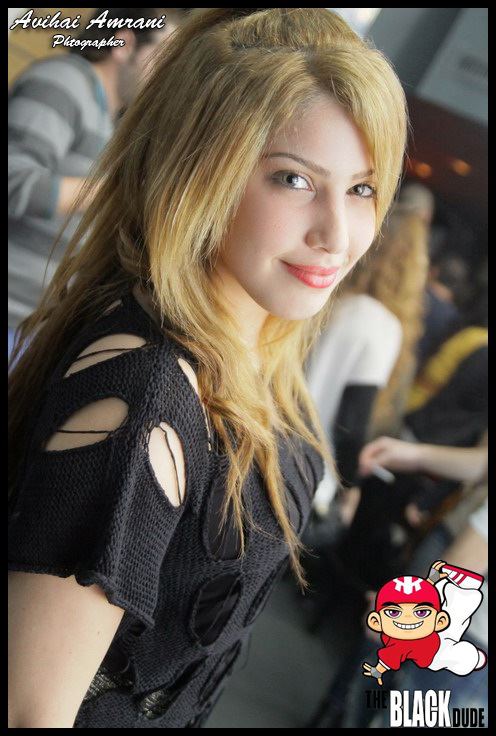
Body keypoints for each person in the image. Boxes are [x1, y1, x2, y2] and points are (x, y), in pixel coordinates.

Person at [8, 8, 408, 729]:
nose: (338, 234)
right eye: (293, 179)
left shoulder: (261, 349)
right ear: (204, 173)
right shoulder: (147, 393)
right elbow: (31, 710)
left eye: (362, 189)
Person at [8, 8, 187, 360]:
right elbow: (13, 179)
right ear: (124, 44)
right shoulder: (64, 82)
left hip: (26, 323)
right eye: (163, 56)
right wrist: (116, 190)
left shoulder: (109, 118)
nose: (168, 77)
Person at [304, 206, 428, 520]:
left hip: (270, 446)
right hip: (311, 477)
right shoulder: (382, 326)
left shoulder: (331, 300)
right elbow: (351, 421)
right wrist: (351, 487)